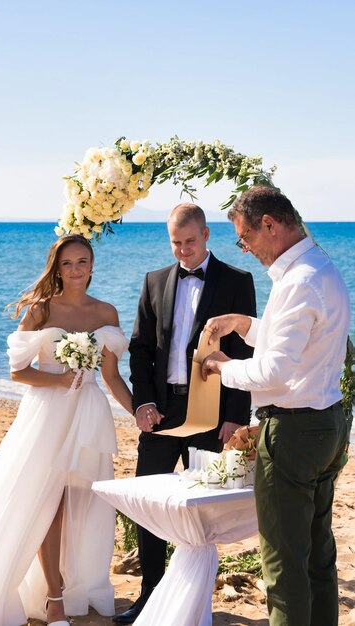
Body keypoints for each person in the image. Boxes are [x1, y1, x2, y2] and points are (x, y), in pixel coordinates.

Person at [0, 234, 132, 626]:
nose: (75, 270)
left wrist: (141, 413)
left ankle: (69, 586)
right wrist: (61, 382)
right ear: (56, 269)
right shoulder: (41, 310)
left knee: (82, 503)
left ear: (93, 266)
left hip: (90, 415)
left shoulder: (106, 313)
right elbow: (17, 371)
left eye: (82, 262)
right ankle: (54, 599)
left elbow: (110, 376)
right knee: (50, 504)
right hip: (47, 415)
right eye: (67, 264)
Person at [201, 186, 350, 626]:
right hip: (329, 424)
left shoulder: (299, 280)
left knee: (283, 567)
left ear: (269, 224)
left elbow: (275, 372)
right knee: (317, 557)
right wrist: (246, 325)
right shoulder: (319, 268)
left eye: (245, 238)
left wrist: (221, 367)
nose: (245, 250)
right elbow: (303, 339)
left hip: (293, 433)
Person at [112, 202, 256, 624]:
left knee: (199, 510)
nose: (183, 251)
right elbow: (140, 349)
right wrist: (142, 402)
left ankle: (193, 605)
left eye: (190, 241)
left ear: (207, 235)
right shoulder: (154, 281)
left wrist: (235, 414)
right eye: (175, 243)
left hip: (212, 411)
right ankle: (149, 597)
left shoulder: (237, 280)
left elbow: (244, 352)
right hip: (161, 411)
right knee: (151, 500)